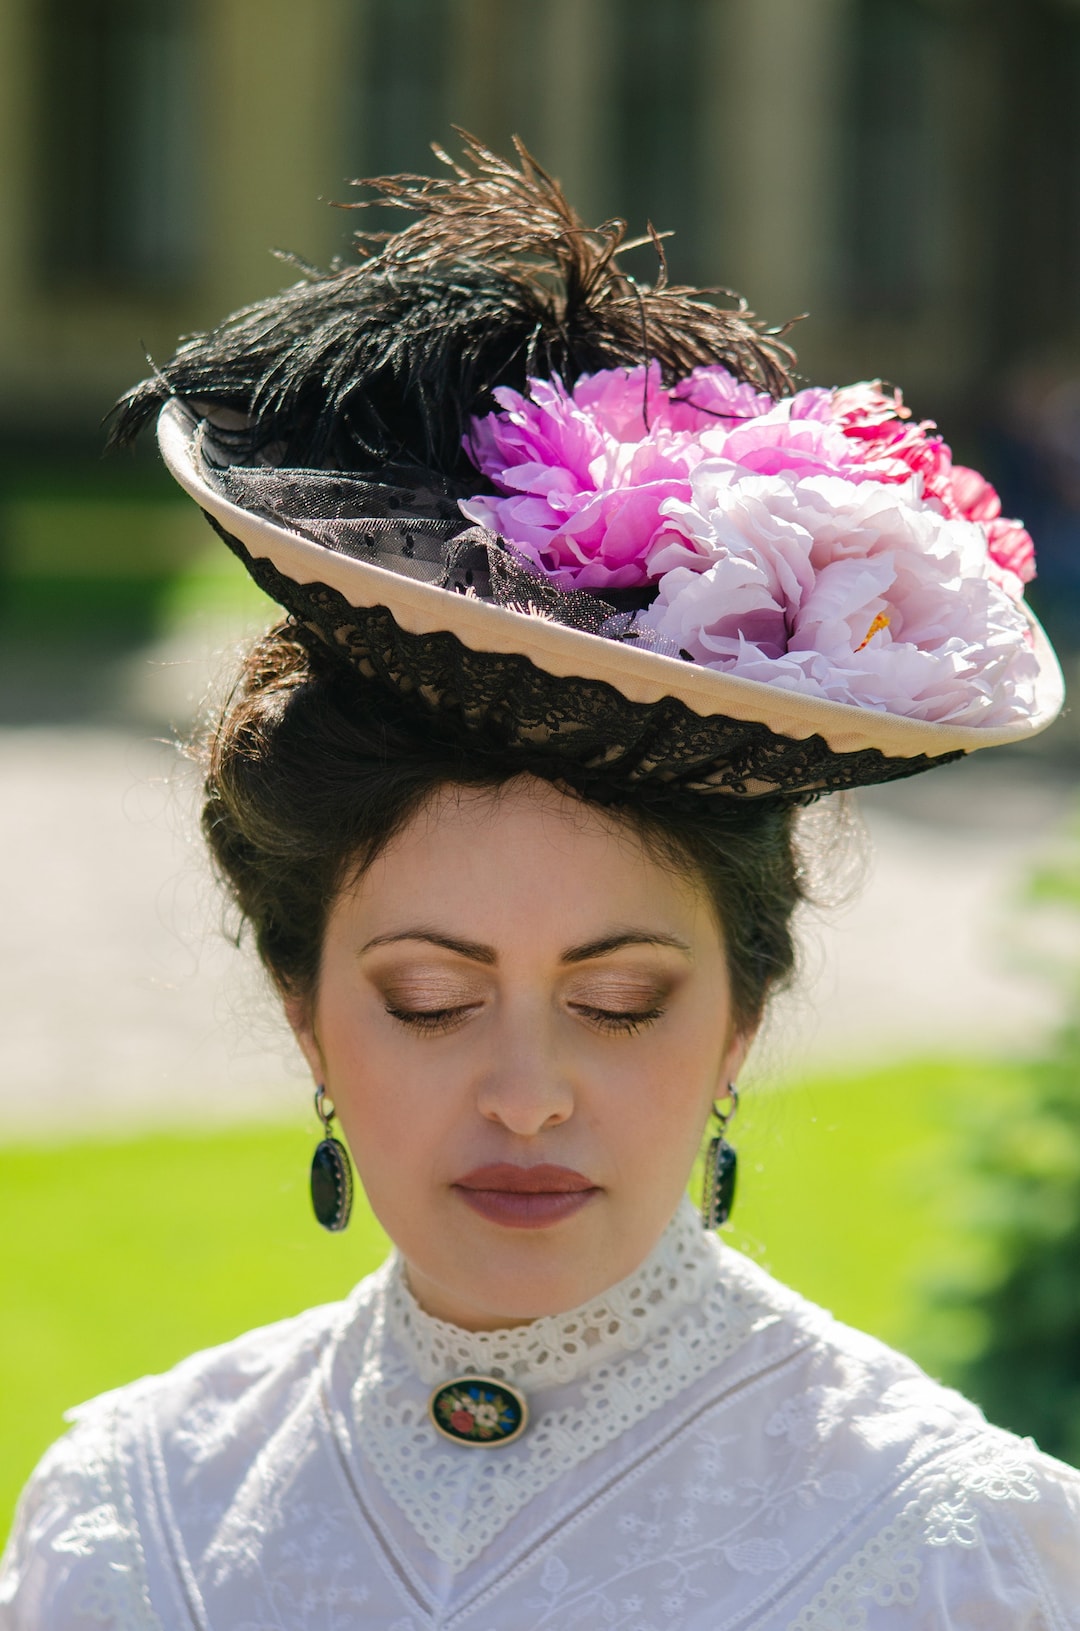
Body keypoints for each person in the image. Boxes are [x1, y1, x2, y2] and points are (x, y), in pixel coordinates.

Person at [1, 137, 1076, 1630]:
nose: (527, 1091)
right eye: (432, 998)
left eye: (620, 1000)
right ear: (305, 1014)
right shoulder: (133, 1512)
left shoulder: (956, 1554)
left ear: (740, 1023)